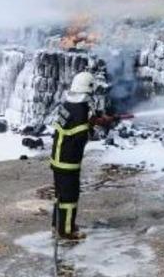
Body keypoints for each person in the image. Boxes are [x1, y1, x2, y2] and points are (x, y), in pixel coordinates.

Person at [50, 71, 115, 241]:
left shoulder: (68, 104)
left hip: (57, 157)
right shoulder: (81, 109)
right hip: (68, 161)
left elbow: (75, 124)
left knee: (61, 195)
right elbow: (81, 134)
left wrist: (94, 120)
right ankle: (67, 231)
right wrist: (94, 126)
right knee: (70, 196)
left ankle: (58, 225)